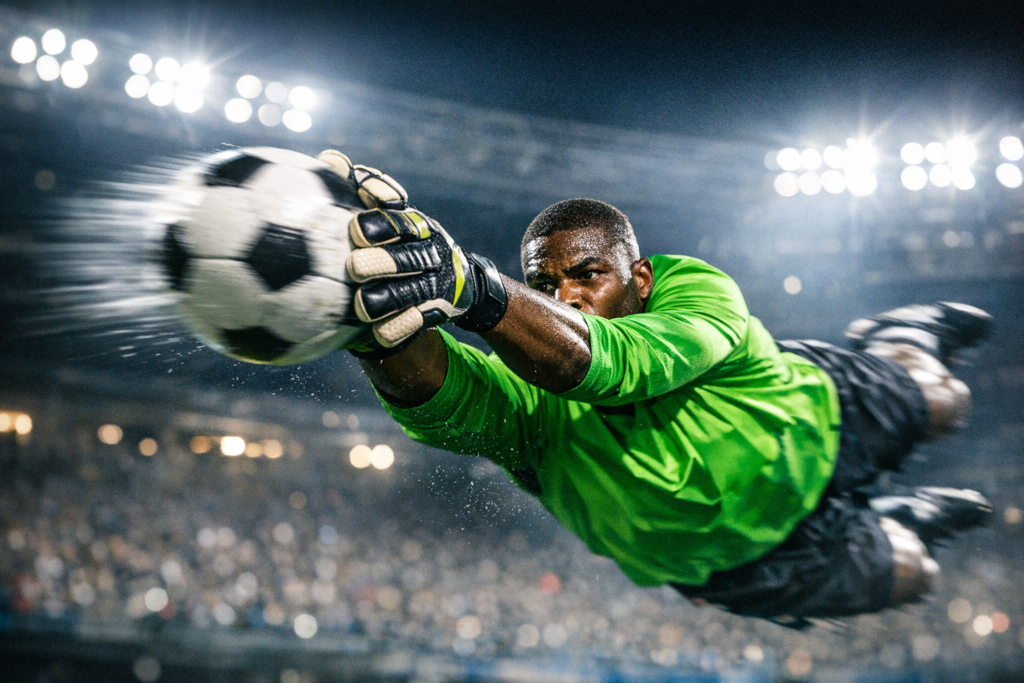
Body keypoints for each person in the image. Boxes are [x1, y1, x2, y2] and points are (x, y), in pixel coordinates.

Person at [318, 150, 993, 623]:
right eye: (548, 286)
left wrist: (469, 285)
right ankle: (902, 520)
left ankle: (901, 338)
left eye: (588, 276)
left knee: (943, 402)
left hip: (820, 417)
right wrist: (372, 321)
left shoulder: (693, 291)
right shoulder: (531, 409)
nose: (568, 297)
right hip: (742, 563)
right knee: (914, 572)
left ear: (638, 279)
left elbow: (616, 363)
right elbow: (441, 399)